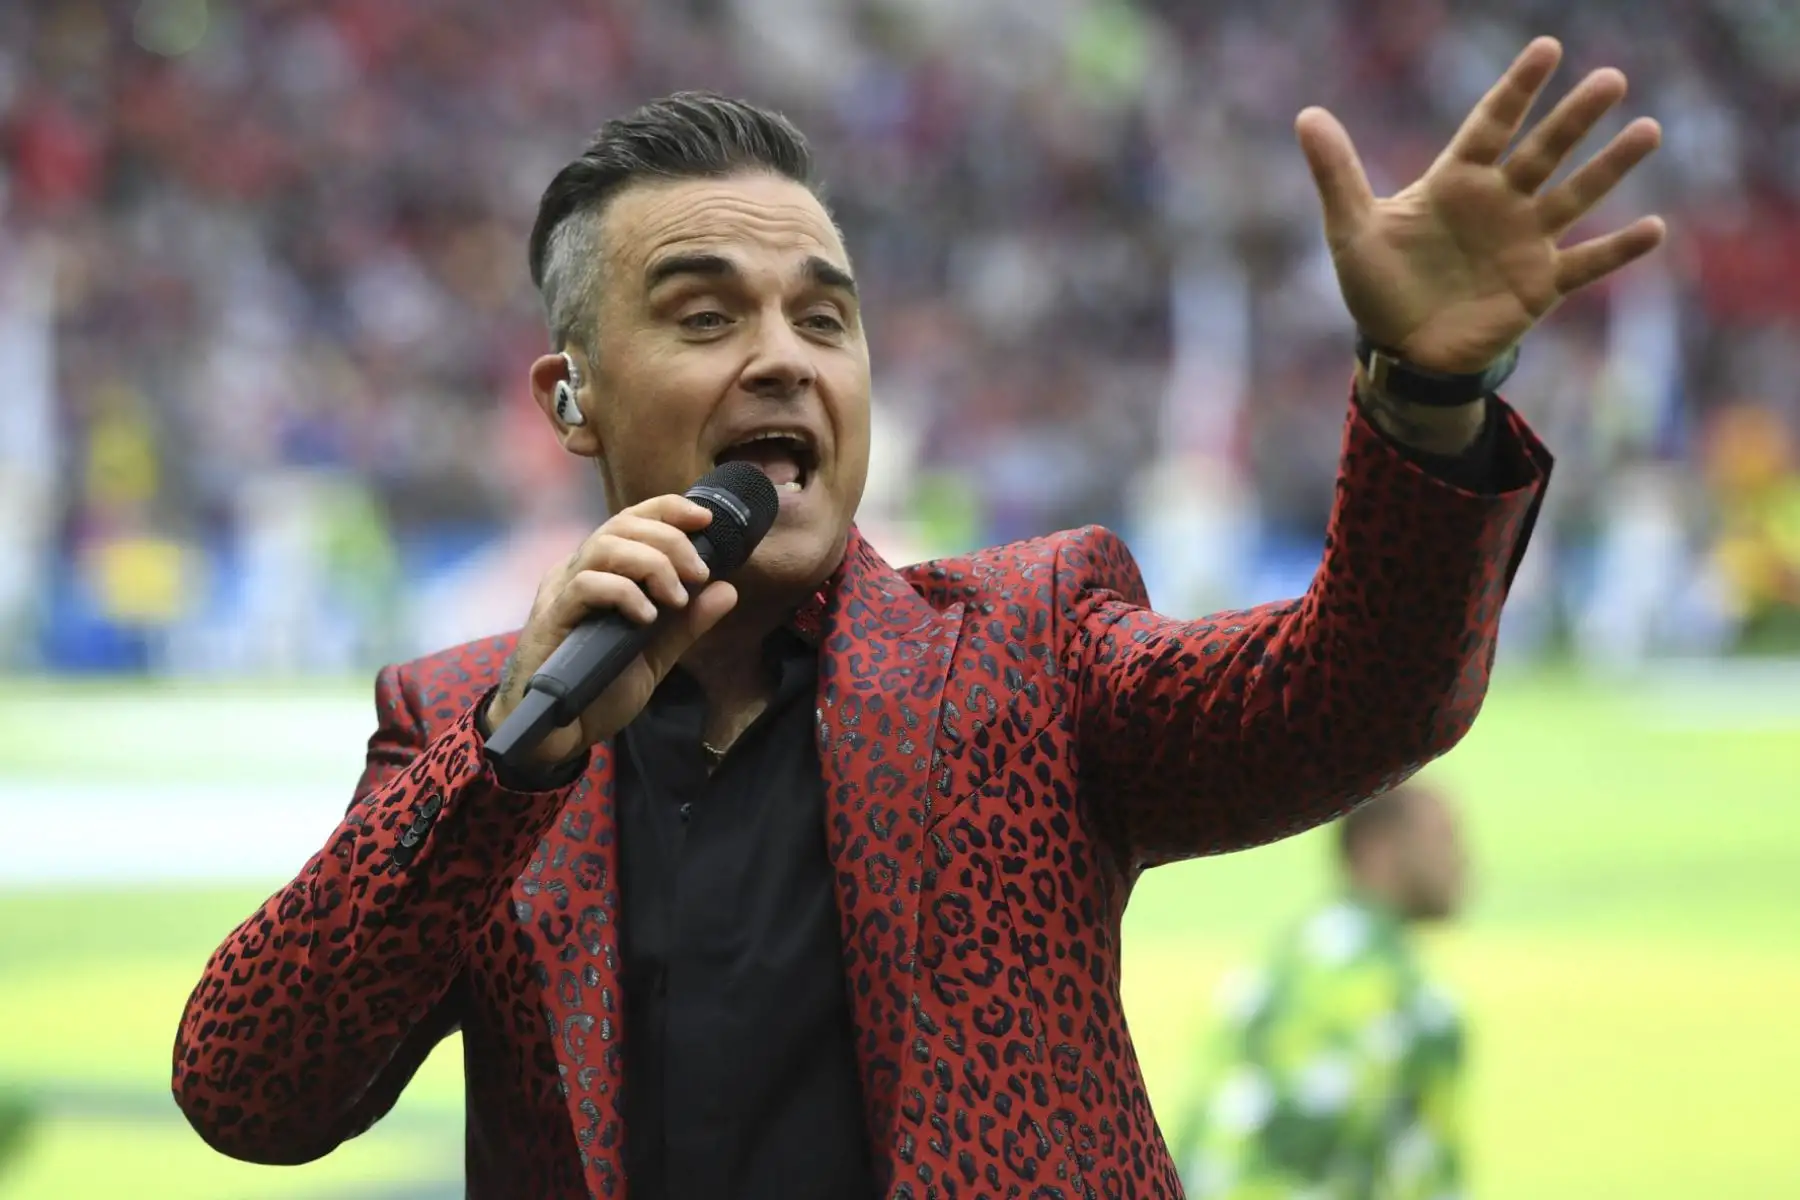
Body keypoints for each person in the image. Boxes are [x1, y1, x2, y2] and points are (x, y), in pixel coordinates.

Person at [172, 37, 1663, 1199]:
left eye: (824, 318)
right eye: (704, 315)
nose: (784, 360)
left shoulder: (1027, 647)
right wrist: (513, 765)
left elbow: (1363, 694)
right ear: (570, 399)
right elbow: (251, 1089)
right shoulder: (471, 727)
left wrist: (1427, 396)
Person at [1173, 784, 1471, 1200]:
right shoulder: (1418, 1005)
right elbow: (1428, 1178)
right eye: (1444, 838)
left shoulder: (1279, 963)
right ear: (1376, 848)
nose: (1463, 862)